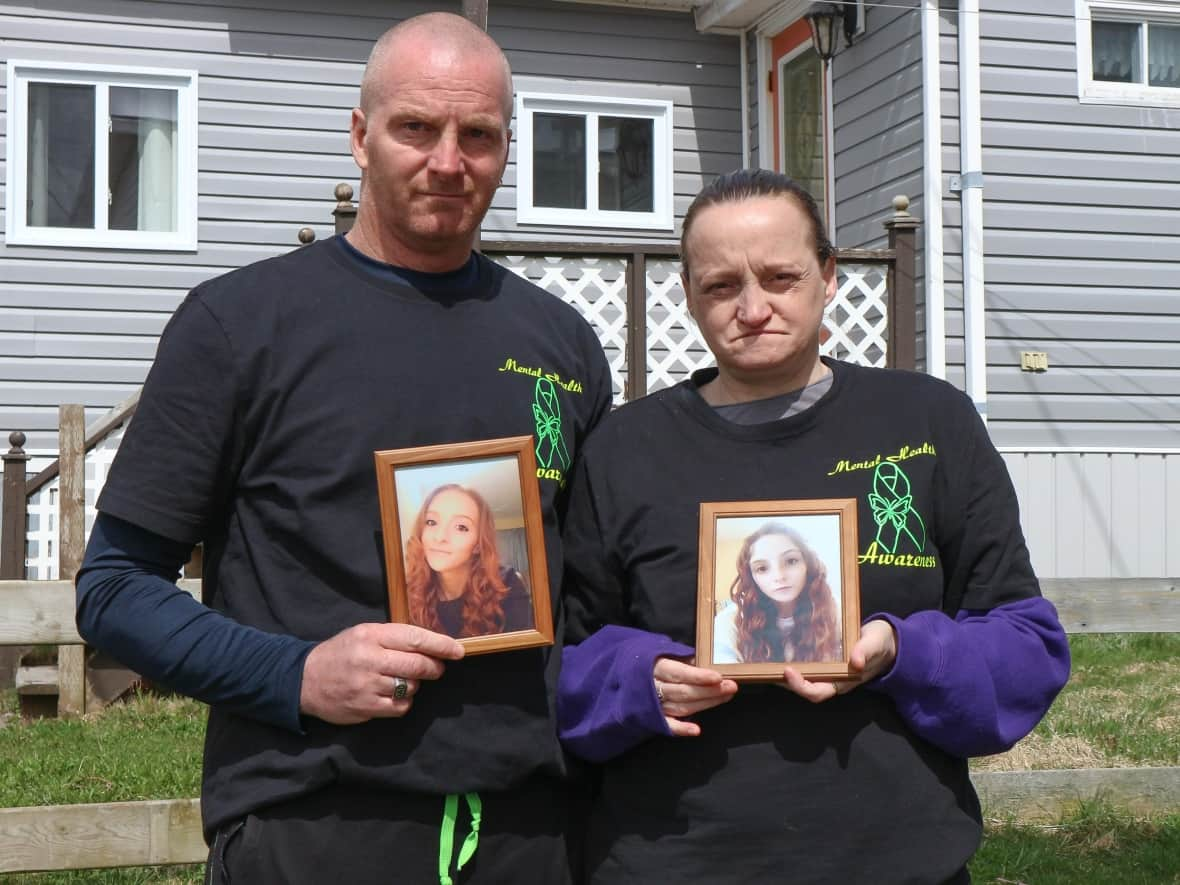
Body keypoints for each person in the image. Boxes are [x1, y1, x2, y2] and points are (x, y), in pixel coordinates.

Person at [75, 13, 611, 885]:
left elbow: (592, 589)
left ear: (507, 147)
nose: (449, 160)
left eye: (478, 135)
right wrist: (299, 673)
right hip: (316, 823)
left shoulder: (564, 344)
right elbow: (114, 590)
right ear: (361, 137)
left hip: (529, 830)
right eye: (416, 128)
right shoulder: (238, 326)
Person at [556, 169, 1070, 884]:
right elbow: (561, 667)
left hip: (895, 859)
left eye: (779, 276)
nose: (753, 306)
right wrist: (637, 680)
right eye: (721, 285)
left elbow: (1028, 649)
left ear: (828, 276)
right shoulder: (623, 451)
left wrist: (903, 650)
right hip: (674, 858)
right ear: (688, 295)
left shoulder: (929, 422)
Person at [407, 484, 532, 638]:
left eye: (461, 527)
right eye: (432, 522)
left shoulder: (508, 584)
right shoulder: (409, 592)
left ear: (478, 546)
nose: (439, 537)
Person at [713, 522, 841, 664]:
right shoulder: (730, 621)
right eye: (762, 568)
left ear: (808, 564)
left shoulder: (835, 609)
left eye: (791, 561)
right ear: (751, 576)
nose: (779, 576)